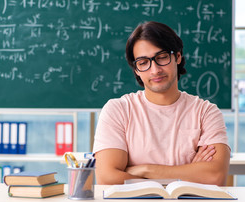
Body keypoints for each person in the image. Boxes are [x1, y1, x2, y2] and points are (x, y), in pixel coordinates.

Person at [93, 21, 230, 186]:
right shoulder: (118, 110)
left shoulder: (206, 112)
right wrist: (190, 171)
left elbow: (215, 176)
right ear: (136, 69)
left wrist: (144, 170)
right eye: (143, 62)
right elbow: (107, 178)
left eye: (162, 57)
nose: (155, 70)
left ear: (177, 57)